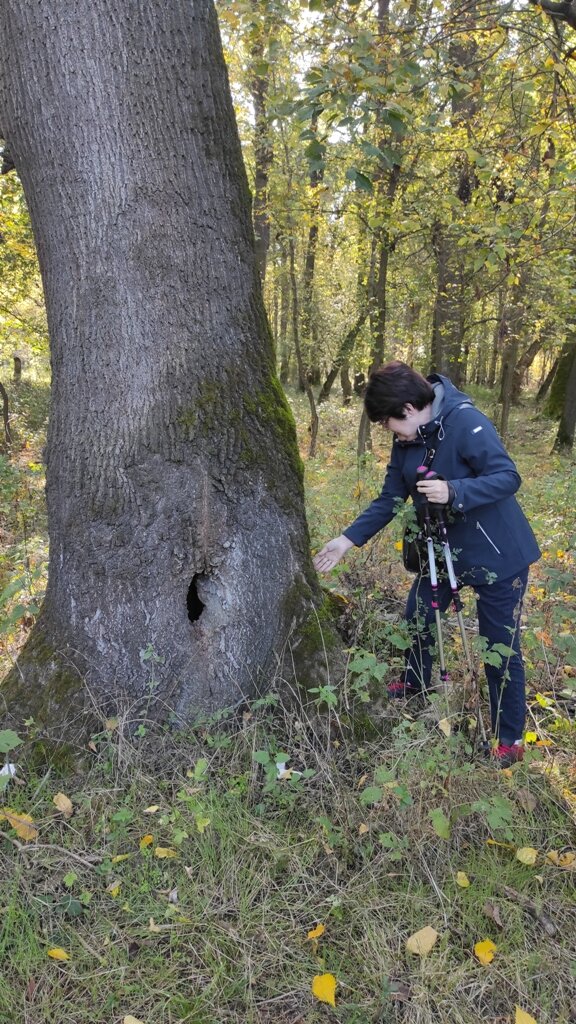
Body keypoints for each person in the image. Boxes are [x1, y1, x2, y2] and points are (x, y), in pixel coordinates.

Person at [313, 361, 541, 768]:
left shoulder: (466, 421)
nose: (391, 433)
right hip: (442, 552)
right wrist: (346, 540)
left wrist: (454, 490)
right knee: (418, 615)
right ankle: (415, 685)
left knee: (499, 646)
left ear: (408, 408)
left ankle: (509, 739)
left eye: (389, 424)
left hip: (497, 553)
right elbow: (390, 498)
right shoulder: (408, 437)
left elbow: (507, 477)